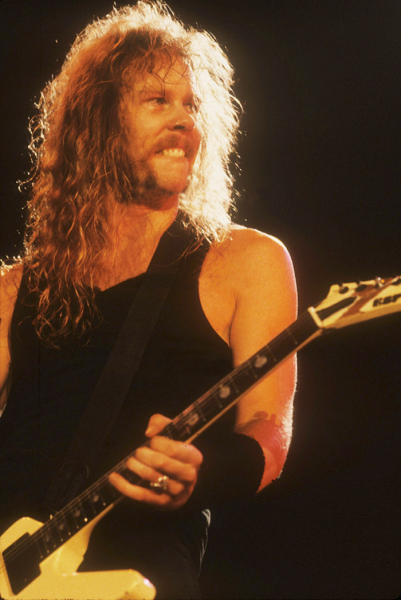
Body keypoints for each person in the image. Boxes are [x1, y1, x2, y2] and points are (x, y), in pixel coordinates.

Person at [0, 1, 297, 598]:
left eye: (192, 105)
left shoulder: (245, 260)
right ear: (95, 124)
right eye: (158, 100)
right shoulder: (14, 289)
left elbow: (269, 428)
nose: (184, 120)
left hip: (137, 575)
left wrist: (201, 474)